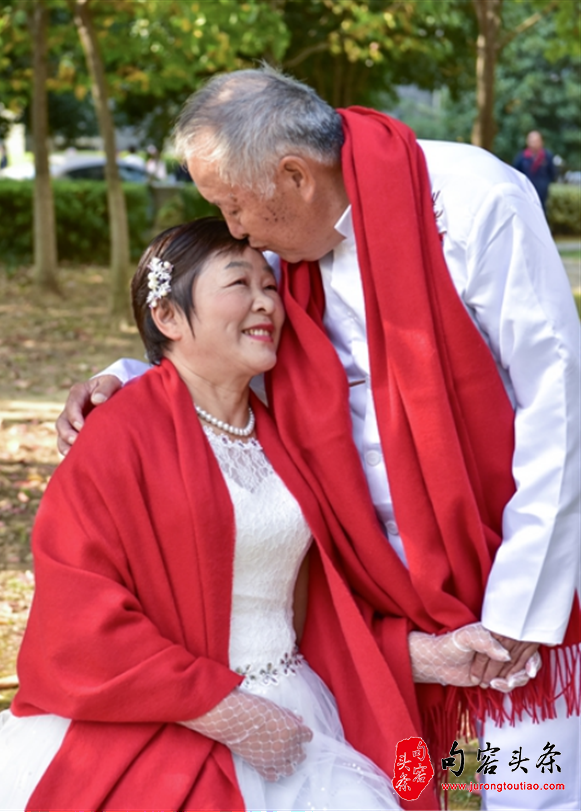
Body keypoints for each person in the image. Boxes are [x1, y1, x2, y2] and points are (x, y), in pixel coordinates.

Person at [56, 67, 580, 811]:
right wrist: (122, 380)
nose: (236, 230)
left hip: (499, 571)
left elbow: (558, 403)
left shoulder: (472, 201)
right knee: (406, 786)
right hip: (371, 593)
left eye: (234, 206)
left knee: (523, 788)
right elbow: (221, 345)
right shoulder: (285, 253)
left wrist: (522, 607)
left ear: (295, 176)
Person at [0, 218, 508, 810]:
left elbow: (314, 602)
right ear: (168, 316)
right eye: (239, 284)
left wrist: (420, 656)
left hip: (296, 701)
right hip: (174, 715)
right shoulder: (117, 435)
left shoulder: (282, 432)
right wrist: (221, 710)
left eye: (269, 286)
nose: (266, 304)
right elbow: (76, 617)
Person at [514, 130, 557, 214]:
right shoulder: (522, 157)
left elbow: (553, 174)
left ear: (541, 142)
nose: (533, 143)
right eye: (531, 140)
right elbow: (515, 173)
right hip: (525, 193)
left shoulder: (547, 156)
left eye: (536, 140)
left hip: (542, 195)